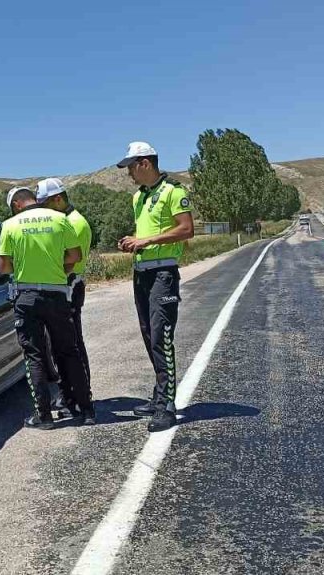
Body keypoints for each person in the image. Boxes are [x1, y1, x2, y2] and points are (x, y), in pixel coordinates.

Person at [0, 186, 95, 429]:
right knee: (69, 351)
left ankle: (43, 416)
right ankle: (86, 410)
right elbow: (74, 255)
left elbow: (3, 267)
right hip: (57, 294)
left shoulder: (10, 225)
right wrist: (54, 266)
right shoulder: (60, 219)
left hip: (27, 296)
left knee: (35, 355)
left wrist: (24, 265)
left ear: (16, 205)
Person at [115, 142, 194, 432]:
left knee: (162, 336)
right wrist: (132, 240)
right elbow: (145, 232)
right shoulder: (139, 197)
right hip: (141, 274)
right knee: (149, 336)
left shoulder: (174, 192)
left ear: (145, 163)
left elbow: (186, 229)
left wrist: (146, 242)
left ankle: (167, 405)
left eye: (131, 168)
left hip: (163, 274)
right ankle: (159, 395)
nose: (129, 175)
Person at [36, 177, 92, 418]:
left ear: (58, 199)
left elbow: (70, 262)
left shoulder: (74, 223)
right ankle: (71, 393)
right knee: (64, 345)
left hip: (69, 286)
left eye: (45, 204)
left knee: (72, 344)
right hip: (64, 286)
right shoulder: (65, 220)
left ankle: (81, 394)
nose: (43, 210)